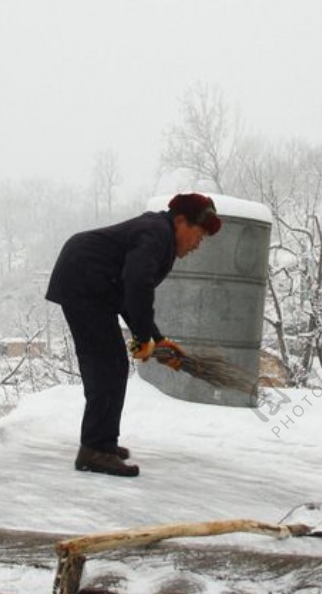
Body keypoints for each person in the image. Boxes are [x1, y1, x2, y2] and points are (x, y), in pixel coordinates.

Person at [45, 193, 222, 476]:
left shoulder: (161, 237)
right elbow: (136, 285)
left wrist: (156, 339)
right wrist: (143, 337)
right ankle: (94, 450)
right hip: (82, 279)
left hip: (95, 285)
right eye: (198, 234)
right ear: (180, 221)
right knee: (106, 364)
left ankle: (104, 443)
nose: (198, 244)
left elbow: (131, 295)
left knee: (114, 364)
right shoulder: (157, 233)